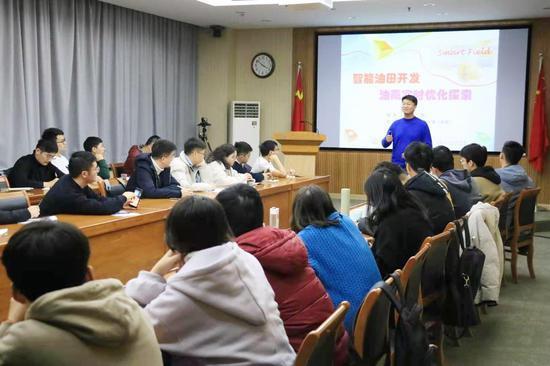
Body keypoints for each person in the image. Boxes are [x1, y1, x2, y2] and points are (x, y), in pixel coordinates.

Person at [125, 196, 295, 366]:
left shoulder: (189, 288)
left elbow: (134, 329)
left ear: (175, 240)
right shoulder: (246, 259)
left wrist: (153, 274)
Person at [216, 184, 349, 364]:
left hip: (299, 357)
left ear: (223, 226)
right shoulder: (287, 240)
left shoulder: (241, 261)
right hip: (333, 350)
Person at [0, 221, 163, 366]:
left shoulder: (24, 342)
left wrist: (11, 321)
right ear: (90, 274)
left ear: (17, 294)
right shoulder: (132, 307)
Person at [291, 185, 381, 333]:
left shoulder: (305, 239)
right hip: (378, 313)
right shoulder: (346, 220)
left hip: (350, 324)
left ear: (297, 212)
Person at [364, 168, 433, 278]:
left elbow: (381, 268)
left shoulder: (390, 223)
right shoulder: (414, 209)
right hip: (417, 278)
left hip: (395, 283)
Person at [39, 152, 135, 216]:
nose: (98, 171)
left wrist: (120, 202)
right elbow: (101, 208)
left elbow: (98, 200)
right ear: (84, 174)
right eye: (95, 169)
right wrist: (123, 198)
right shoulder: (68, 193)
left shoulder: (73, 180)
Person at [404, 142, 455, 234]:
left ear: (408, 166)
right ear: (431, 166)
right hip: (439, 245)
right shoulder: (442, 186)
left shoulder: (408, 196)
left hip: (421, 245)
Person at [381, 95, 432, 168]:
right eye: (404, 104)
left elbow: (428, 146)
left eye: (408, 104)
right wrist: (387, 140)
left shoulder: (422, 125)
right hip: (397, 165)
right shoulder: (396, 124)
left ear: (415, 106)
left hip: (415, 166)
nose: (405, 106)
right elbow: (384, 144)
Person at [432, 145, 481, 218]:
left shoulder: (441, 185)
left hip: (459, 227)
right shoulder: (468, 177)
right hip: (473, 224)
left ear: (433, 169)